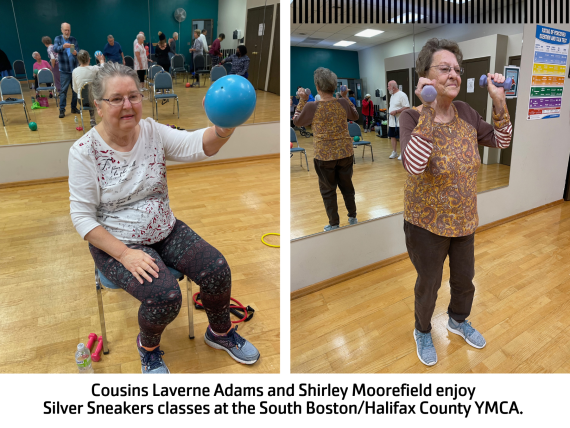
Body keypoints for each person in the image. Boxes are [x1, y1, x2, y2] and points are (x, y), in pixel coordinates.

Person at [68, 62, 260, 374]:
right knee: (166, 296)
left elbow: (199, 146)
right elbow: (81, 218)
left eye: (134, 96)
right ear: (99, 107)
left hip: (164, 229)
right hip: (117, 242)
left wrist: (223, 126)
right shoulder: (84, 152)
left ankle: (220, 332)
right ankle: (148, 349)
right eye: (116, 99)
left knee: (216, 269)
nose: (128, 105)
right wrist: (125, 254)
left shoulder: (152, 131)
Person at [399, 38, 512, 367]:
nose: (454, 75)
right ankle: (422, 329)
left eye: (457, 70)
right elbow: (414, 165)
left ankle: (457, 321)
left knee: (465, 279)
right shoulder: (411, 116)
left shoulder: (466, 112)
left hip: (464, 220)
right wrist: (429, 109)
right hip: (426, 224)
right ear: (424, 76)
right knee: (429, 284)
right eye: (444, 68)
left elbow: (502, 141)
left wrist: (499, 100)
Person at [293, 67, 359, 231]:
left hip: (324, 156)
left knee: (328, 191)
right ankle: (352, 217)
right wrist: (346, 97)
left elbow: (296, 121)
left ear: (317, 87)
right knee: (347, 186)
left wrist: (302, 100)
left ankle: (334, 223)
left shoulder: (311, 106)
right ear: (335, 86)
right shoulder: (342, 102)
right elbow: (355, 116)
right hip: (345, 153)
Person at [53, 22, 80, 118]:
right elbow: (55, 49)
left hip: (74, 69)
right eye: (65, 30)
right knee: (63, 91)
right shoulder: (58, 39)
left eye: (68, 30)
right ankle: (62, 110)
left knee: (75, 91)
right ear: (62, 30)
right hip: (64, 70)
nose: (67, 32)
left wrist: (76, 53)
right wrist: (63, 47)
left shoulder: (73, 39)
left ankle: (73, 107)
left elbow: (76, 52)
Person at [72, 50, 105, 128]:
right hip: (94, 100)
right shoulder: (94, 69)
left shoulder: (75, 71)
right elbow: (105, 71)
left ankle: (92, 119)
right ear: (89, 59)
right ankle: (94, 119)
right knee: (95, 95)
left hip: (82, 101)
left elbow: (75, 89)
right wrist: (102, 60)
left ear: (78, 60)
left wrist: (81, 92)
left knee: (88, 95)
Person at [387, 80, 410, 159]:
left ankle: (402, 153)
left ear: (393, 87)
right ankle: (394, 152)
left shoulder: (402, 95)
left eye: (388, 86)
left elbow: (407, 107)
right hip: (392, 120)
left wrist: (396, 111)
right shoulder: (392, 95)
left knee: (401, 137)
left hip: (400, 120)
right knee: (392, 136)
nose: (387, 88)